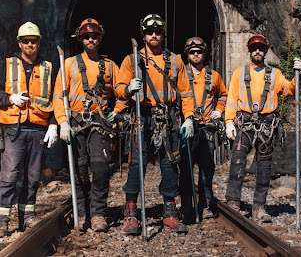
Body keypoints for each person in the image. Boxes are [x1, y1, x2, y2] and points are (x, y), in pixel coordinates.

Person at [115, 14, 195, 235]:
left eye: (158, 32)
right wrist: (128, 88)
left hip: (167, 117)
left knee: (169, 163)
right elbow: (119, 88)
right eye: (150, 32)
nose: (154, 35)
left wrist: (188, 118)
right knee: (136, 163)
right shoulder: (132, 59)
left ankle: (170, 212)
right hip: (141, 117)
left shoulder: (176, 60)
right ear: (144, 34)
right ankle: (131, 213)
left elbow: (186, 93)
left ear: (163, 34)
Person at [53, 18, 125, 232]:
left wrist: (116, 112)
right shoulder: (69, 64)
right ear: (80, 39)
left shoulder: (110, 66)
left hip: (99, 123)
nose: (90, 39)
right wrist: (62, 122)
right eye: (86, 36)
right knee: (79, 170)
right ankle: (82, 212)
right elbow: (59, 95)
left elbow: (122, 92)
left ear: (100, 38)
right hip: (75, 123)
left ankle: (98, 213)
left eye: (94, 36)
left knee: (101, 168)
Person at [224, 34, 301, 221]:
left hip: (267, 125)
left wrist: (297, 76)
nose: (257, 51)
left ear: (265, 51)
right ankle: (233, 202)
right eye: (254, 48)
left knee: (264, 167)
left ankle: (259, 207)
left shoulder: (275, 74)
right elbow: (231, 99)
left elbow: (289, 90)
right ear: (249, 51)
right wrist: (228, 121)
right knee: (237, 162)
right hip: (244, 123)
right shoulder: (239, 73)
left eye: (260, 48)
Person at [0, 21, 58, 237]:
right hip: (14, 128)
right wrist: (10, 97)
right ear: (19, 43)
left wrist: (54, 124)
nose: (30, 45)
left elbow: (57, 99)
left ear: (39, 43)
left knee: (33, 176)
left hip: (38, 128)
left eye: (34, 41)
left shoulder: (48, 68)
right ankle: (1, 220)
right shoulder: (8, 64)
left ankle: (27, 216)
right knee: (9, 174)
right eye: (26, 41)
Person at [179, 37, 227, 223]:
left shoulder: (214, 76)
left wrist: (219, 110)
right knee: (185, 169)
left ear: (204, 53)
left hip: (206, 127)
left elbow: (223, 95)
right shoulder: (181, 74)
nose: (196, 54)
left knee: (207, 169)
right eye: (192, 52)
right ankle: (187, 206)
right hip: (188, 127)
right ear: (187, 54)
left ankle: (206, 204)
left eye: (199, 51)